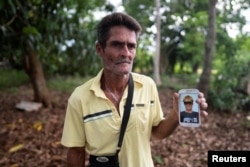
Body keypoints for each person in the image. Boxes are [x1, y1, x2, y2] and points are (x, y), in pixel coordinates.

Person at [61, 12, 208, 167]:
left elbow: (157, 132)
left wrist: (176, 115)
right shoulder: (80, 97)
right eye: (117, 45)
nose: (126, 53)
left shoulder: (147, 85)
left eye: (131, 46)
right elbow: (76, 151)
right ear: (99, 49)